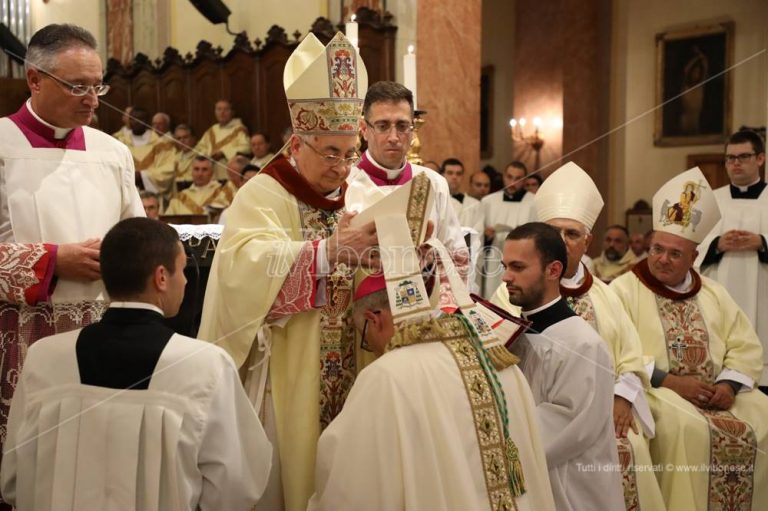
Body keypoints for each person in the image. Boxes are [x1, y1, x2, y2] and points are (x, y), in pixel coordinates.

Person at [198, 32, 378, 511]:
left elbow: (365, 276)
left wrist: (385, 261)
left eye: (351, 152)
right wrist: (325, 253)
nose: (344, 168)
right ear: (298, 143)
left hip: (350, 366)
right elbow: (243, 272)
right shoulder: (263, 194)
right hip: (287, 371)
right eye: (331, 153)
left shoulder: (355, 194)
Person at [0, 217, 272, 510]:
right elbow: (236, 486)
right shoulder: (205, 365)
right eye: (181, 270)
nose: (186, 280)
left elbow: (13, 478)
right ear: (161, 277)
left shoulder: (44, 358)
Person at [0, 23, 144, 510]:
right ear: (35, 79)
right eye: (77, 86)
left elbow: (137, 239)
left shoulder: (114, 154)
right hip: (19, 342)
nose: (92, 100)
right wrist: (53, 259)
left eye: (97, 85)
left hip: (104, 335)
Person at [493, 162, 664, 510]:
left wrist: (491, 440)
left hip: (569, 482)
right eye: (505, 267)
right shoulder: (515, 305)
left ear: (586, 241)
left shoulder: (590, 328)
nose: (508, 278)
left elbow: (566, 422)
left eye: (571, 234)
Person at [308, 272, 556, 511]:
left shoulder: (387, 375)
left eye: (365, 336)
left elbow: (351, 484)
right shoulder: (500, 362)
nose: (370, 347)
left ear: (375, 319)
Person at [611, 166, 768, 511]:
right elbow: (616, 351)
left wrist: (728, 386)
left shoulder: (714, 292)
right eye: (656, 249)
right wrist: (673, 383)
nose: (662, 259)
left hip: (717, 392)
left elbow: (745, 346)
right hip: (656, 391)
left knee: (764, 415)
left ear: (694, 257)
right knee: (685, 427)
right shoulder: (622, 290)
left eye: (675, 253)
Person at [500, 222, 625, 511]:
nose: (506, 276)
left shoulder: (583, 345)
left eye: (518, 267)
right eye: (505, 265)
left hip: (571, 493)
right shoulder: (513, 333)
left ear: (553, 270)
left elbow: (564, 429)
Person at [346, 80, 469, 306]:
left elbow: (455, 254)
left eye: (402, 126)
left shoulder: (433, 182)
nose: (394, 137)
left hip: (424, 314)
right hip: (361, 319)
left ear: (412, 129)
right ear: (364, 129)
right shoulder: (344, 183)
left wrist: (444, 310)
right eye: (382, 126)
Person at [696, 130, 768, 388]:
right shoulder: (711, 200)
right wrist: (716, 245)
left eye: (743, 157)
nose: (735, 163)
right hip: (720, 297)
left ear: (760, 158)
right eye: (729, 158)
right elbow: (690, 246)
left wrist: (763, 242)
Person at [481, 161, 536, 297]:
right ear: (503, 177)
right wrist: (486, 235)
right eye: (509, 177)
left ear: (524, 180)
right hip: (494, 257)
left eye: (518, 178)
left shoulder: (534, 202)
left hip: (522, 260)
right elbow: (478, 237)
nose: (512, 182)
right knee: (492, 295)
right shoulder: (488, 201)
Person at [194, 99, 250, 179]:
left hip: (228, 173)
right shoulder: (212, 130)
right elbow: (199, 148)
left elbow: (247, 148)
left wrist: (223, 153)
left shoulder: (239, 129)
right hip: (210, 175)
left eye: (226, 109)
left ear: (232, 112)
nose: (222, 112)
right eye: (219, 109)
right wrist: (207, 155)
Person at [164, 156, 232, 216]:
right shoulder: (179, 198)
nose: (200, 174)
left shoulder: (223, 193)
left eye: (204, 169)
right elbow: (168, 221)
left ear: (212, 172)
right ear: (191, 172)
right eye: (196, 169)